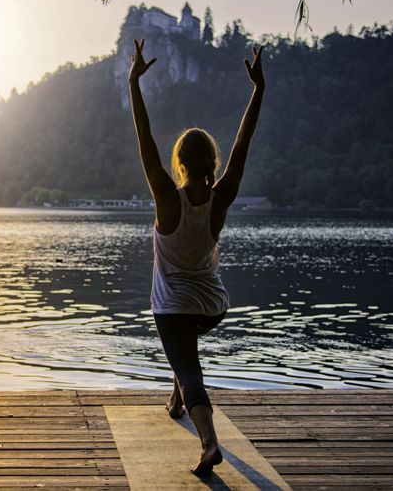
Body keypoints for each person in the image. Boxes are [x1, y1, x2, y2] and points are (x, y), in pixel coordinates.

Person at [128, 38, 265, 475]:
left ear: (180, 164)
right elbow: (244, 143)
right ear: (211, 163)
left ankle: (209, 444)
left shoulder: (168, 198)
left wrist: (134, 83)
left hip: (174, 308)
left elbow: (144, 138)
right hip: (212, 306)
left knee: (190, 370)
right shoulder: (221, 197)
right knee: (183, 355)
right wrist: (258, 90)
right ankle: (175, 399)